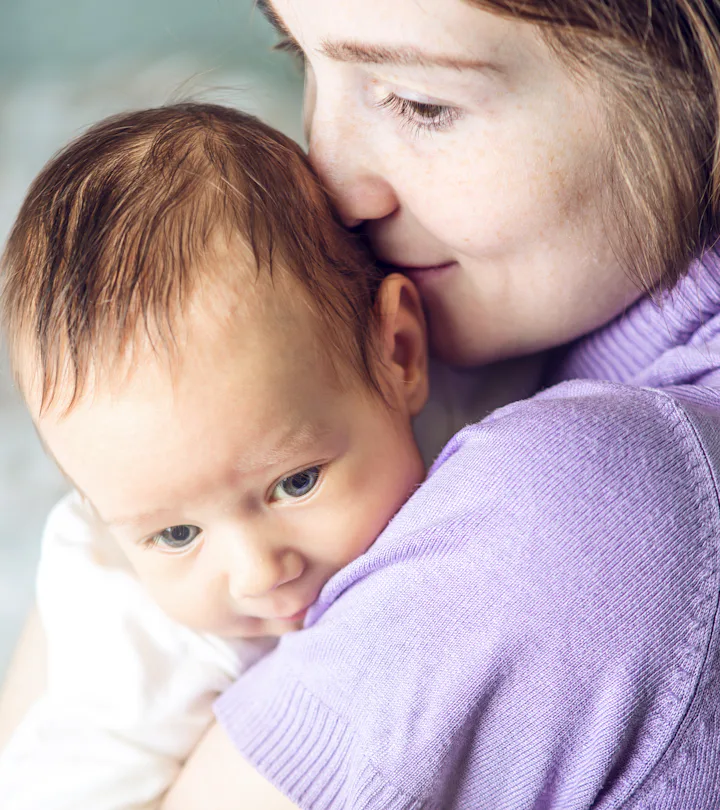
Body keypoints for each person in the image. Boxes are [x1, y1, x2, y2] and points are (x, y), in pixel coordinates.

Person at [156, 0, 720, 808]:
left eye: (423, 104)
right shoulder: (553, 331)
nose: (328, 181)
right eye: (302, 60)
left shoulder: (580, 515)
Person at [0, 102, 432, 808]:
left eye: (295, 483)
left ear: (401, 355)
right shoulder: (140, 639)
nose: (258, 572)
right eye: (175, 535)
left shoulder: (488, 410)